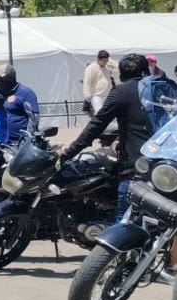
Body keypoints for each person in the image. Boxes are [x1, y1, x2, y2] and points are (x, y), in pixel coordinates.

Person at [64, 52, 152, 217]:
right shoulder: (161, 89)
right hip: (167, 166)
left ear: (123, 74)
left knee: (124, 223)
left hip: (136, 168)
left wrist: (69, 152)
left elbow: (96, 125)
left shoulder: (122, 91)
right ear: (146, 71)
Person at [138, 56, 177, 132]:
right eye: (148, 62)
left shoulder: (161, 73)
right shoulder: (143, 73)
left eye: (151, 61)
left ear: (155, 62)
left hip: (159, 98)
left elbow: (166, 87)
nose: (149, 63)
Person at [0, 66, 40, 141]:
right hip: (1, 140)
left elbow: (34, 118)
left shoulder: (26, 93)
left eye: (2, 79)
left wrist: (28, 139)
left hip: (19, 142)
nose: (0, 81)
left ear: (11, 78)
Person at [83, 49, 115, 114]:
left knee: (108, 113)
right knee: (99, 113)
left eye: (106, 60)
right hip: (96, 95)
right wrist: (87, 93)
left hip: (107, 94)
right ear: (98, 59)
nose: (105, 62)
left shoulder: (107, 67)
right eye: (104, 61)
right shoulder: (91, 68)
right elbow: (87, 82)